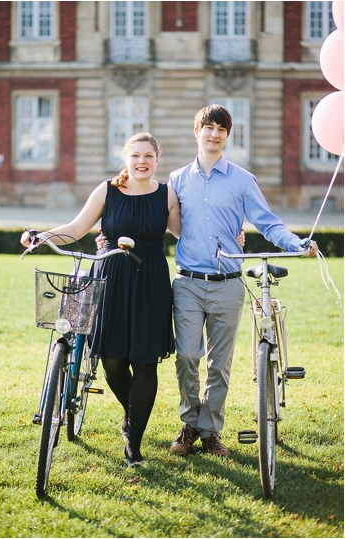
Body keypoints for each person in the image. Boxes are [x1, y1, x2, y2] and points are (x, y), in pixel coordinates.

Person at [167, 104, 318, 457]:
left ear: (227, 136)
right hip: (187, 283)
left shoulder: (242, 180)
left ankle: (209, 432)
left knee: (219, 364)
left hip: (228, 284)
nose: (215, 134)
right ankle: (189, 423)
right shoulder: (176, 180)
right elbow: (156, 218)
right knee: (187, 357)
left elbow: (268, 223)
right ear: (197, 132)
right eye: (209, 127)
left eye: (222, 129)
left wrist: (297, 243)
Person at [22, 133, 180, 467]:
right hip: (111, 279)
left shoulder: (167, 195)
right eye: (136, 155)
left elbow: (187, 234)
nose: (142, 162)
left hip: (150, 280)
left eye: (149, 156)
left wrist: (231, 235)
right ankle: (132, 414)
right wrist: (41, 237)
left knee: (146, 362)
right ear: (126, 158)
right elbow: (77, 228)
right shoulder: (107, 190)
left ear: (157, 159)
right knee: (113, 361)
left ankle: (133, 443)